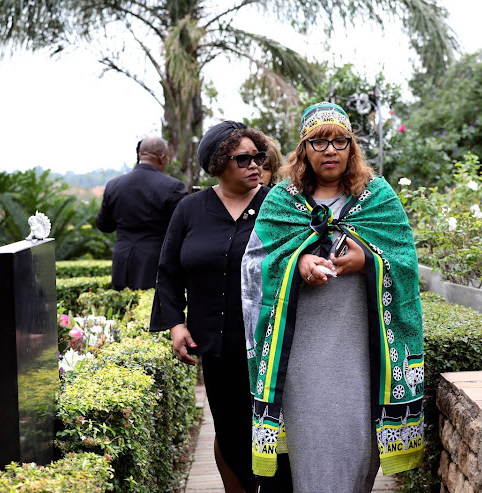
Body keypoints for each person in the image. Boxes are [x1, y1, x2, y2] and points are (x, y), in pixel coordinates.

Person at [241, 102, 425, 492]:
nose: (330, 150)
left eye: (339, 140)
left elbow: (406, 264)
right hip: (300, 358)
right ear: (303, 149)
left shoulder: (378, 198)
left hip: (362, 356)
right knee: (311, 452)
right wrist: (299, 263)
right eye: (319, 141)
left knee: (356, 445)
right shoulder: (280, 202)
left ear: (352, 147)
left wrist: (369, 262)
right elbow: (253, 268)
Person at [152, 121, 286, 493]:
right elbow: (167, 271)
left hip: (270, 345)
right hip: (215, 346)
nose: (254, 165)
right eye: (243, 159)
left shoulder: (277, 205)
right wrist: (176, 325)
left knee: (274, 431)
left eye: (258, 156)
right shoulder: (189, 209)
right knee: (229, 430)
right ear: (217, 163)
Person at [96, 136, 187, 290]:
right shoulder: (173, 187)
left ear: (140, 155)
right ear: (162, 157)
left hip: (121, 262)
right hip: (155, 262)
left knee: (123, 311)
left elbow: (104, 225)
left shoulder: (114, 185)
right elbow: (184, 229)